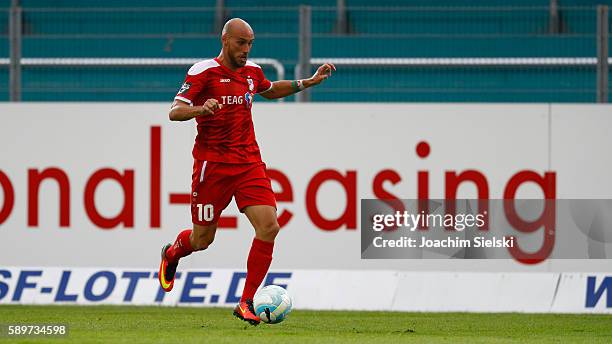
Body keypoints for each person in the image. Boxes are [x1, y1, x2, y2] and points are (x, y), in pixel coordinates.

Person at [158, 18, 335, 325]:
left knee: (269, 227)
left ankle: (246, 301)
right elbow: (175, 111)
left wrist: (306, 82)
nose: (246, 50)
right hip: (212, 166)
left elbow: (269, 90)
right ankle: (172, 253)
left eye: (250, 43)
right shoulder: (203, 72)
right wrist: (201, 109)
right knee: (202, 240)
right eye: (241, 43)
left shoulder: (252, 72)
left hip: (248, 163)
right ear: (225, 40)